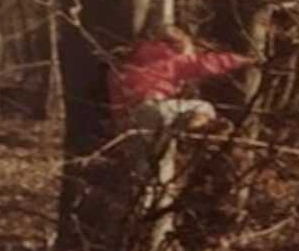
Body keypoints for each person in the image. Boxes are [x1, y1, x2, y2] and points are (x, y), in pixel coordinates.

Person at [108, 24, 253, 170]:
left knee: (145, 167)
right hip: (151, 109)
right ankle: (200, 126)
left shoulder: (130, 61)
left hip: (126, 124)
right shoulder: (171, 59)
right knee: (204, 108)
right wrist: (244, 60)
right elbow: (207, 63)